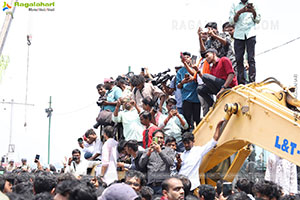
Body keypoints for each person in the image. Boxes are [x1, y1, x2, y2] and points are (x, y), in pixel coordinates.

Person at [177, 120, 225, 191]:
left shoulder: (198, 151)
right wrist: (179, 163)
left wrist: (218, 126)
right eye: (184, 143)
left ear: (193, 141)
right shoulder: (181, 155)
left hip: (192, 186)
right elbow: (178, 169)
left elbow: (213, 141)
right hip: (181, 185)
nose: (186, 145)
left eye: (188, 143)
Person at [229, 0, 261, 84]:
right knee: (239, 59)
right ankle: (241, 81)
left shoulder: (254, 4)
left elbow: (258, 20)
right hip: (238, 35)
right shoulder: (234, 5)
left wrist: (253, 11)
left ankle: (252, 81)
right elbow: (231, 21)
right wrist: (240, 12)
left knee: (251, 58)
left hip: (250, 33)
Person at [139, 130, 175, 194]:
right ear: (153, 139)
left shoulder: (169, 150)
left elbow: (171, 163)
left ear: (163, 140)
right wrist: (148, 154)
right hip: (150, 185)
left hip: (163, 185)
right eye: (157, 137)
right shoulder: (147, 150)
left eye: (161, 138)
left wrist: (160, 152)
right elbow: (141, 165)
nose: (159, 139)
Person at [177, 52, 201, 130]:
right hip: (186, 99)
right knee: (187, 120)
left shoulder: (196, 67)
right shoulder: (180, 71)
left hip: (196, 98)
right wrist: (183, 82)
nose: (186, 59)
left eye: (187, 57)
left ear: (190, 58)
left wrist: (193, 79)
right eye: (184, 58)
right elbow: (178, 86)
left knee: (197, 120)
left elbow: (196, 76)